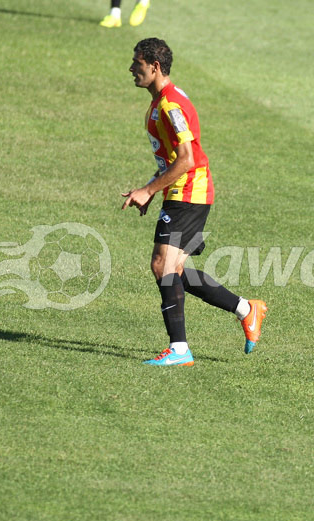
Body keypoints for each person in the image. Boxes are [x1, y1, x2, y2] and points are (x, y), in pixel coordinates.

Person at [121, 38, 267, 366]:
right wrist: (151, 188)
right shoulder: (164, 99)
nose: (131, 69)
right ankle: (247, 309)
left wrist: (148, 190)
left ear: (154, 67)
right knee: (174, 269)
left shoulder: (170, 105)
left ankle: (179, 349)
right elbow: (174, 158)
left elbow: (186, 159)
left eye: (137, 63)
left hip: (190, 193)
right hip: (184, 191)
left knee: (162, 266)